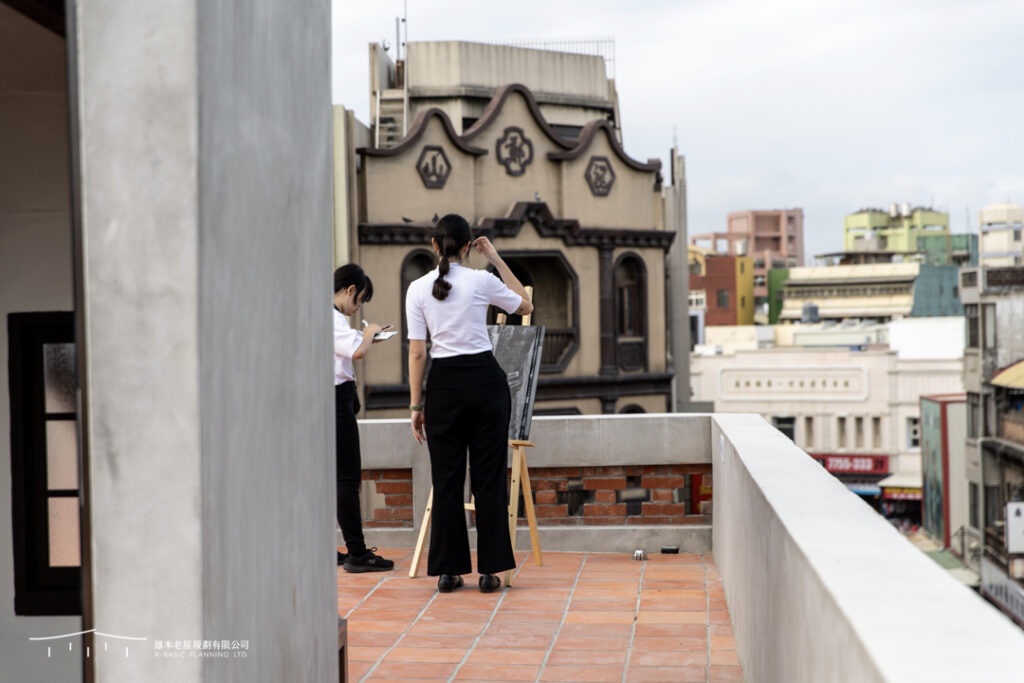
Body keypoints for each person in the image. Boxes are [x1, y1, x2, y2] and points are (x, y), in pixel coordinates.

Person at [405, 214, 534, 593]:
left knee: (446, 480)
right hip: (485, 383)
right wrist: (494, 258)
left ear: (434, 245)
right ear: (467, 247)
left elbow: (417, 352)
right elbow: (525, 306)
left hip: (443, 386)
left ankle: (449, 572)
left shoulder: (417, 288)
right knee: (488, 480)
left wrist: (416, 407)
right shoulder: (481, 280)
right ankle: (490, 572)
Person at [334, 264, 394, 573]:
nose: (358, 308)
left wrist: (372, 336)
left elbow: (352, 341)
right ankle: (357, 553)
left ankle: (325, 547)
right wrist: (369, 334)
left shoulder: (326, 317)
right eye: (360, 300)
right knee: (347, 479)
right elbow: (357, 351)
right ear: (350, 290)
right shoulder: (332, 318)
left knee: (328, 480)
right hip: (335, 401)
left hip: (324, 401)